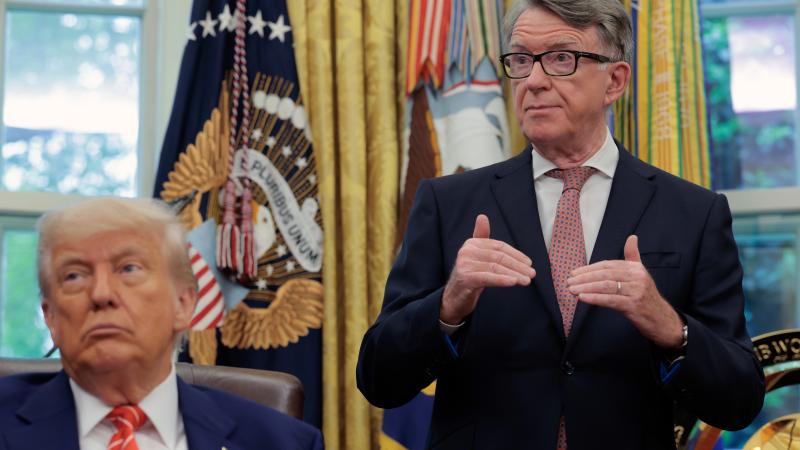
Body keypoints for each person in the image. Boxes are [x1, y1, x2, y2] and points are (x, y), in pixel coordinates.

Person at [356, 0, 765, 449]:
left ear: (615, 80)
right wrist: (449, 305)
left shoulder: (694, 212)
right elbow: (378, 380)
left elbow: (739, 400)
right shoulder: (448, 202)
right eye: (520, 60)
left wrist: (670, 327)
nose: (533, 81)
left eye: (560, 59)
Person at [0, 197, 323, 450]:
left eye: (128, 269)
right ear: (51, 318)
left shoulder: (281, 443)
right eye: (74, 275)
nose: (101, 294)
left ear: (183, 304)